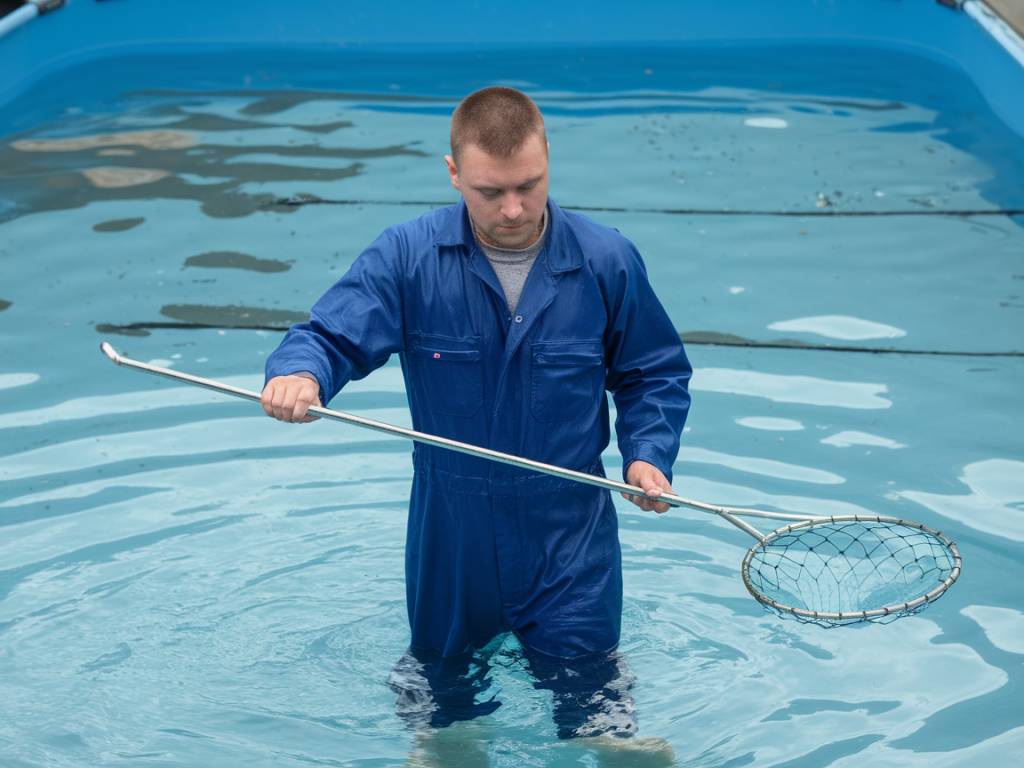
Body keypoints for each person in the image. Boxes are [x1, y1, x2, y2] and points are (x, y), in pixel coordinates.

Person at [261, 87, 691, 754]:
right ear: (454, 173)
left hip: (569, 532)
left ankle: (608, 747)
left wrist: (649, 455)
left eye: (529, 185)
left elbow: (652, 372)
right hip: (451, 535)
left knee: (591, 685)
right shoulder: (406, 257)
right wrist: (302, 373)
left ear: (549, 159)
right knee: (441, 689)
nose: (514, 208)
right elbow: (330, 333)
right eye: (491, 192)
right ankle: (443, 742)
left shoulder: (606, 261)